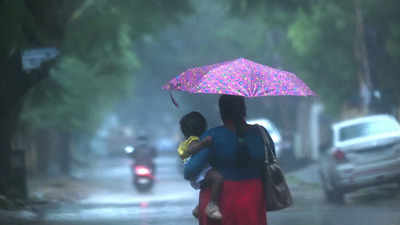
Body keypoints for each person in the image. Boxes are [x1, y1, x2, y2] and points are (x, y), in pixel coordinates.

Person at [184, 95, 274, 225]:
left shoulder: (213, 136)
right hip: (253, 199)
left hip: (218, 205)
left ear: (221, 112)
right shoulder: (261, 133)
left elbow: (190, 171)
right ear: (244, 109)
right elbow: (271, 161)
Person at [178, 112, 224, 220]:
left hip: (200, 172)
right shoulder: (193, 140)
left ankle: (199, 207)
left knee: (210, 186)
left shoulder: (191, 140)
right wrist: (203, 143)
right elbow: (191, 149)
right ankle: (212, 206)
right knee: (218, 178)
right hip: (200, 173)